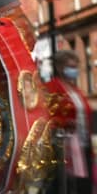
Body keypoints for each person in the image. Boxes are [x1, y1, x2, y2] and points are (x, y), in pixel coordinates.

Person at [46, 50, 95, 194]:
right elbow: (46, 115)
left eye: (76, 67)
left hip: (83, 143)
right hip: (64, 148)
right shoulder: (52, 87)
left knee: (84, 184)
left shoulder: (76, 90)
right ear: (60, 67)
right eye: (71, 67)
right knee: (68, 185)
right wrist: (63, 122)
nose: (74, 70)